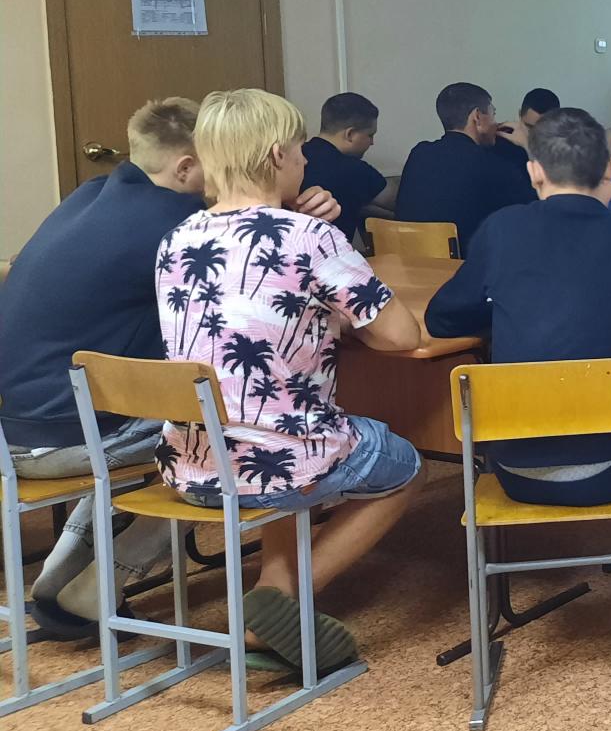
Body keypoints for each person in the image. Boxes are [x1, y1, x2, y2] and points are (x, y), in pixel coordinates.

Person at [2, 99, 345, 638]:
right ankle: (105, 581)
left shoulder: (89, 196)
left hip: (16, 432)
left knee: (184, 427)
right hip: (70, 436)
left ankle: (60, 575)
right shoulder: (180, 228)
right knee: (227, 441)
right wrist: (295, 220)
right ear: (187, 167)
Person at [154, 89, 423, 669]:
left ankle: (271, 593)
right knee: (403, 467)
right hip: (282, 460)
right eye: (301, 150)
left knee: (284, 444)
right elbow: (401, 336)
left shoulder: (178, 239)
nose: (306, 161)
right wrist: (334, 250)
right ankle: (282, 602)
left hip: (193, 464)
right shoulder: (311, 238)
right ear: (278, 154)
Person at [428, 108, 611, 611]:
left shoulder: (500, 230)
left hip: (511, 467)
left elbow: (442, 317)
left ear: (534, 169)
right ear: (609, 167)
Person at [394, 82, 536, 247]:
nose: (495, 124)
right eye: (493, 114)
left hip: (407, 258)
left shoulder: (419, 153)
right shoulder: (490, 164)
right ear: (477, 117)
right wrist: (529, 146)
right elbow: (537, 207)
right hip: (464, 261)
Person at [301, 91, 389, 242]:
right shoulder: (354, 169)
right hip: (333, 253)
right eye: (370, 135)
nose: (372, 142)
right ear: (350, 134)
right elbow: (395, 201)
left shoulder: (298, 157)